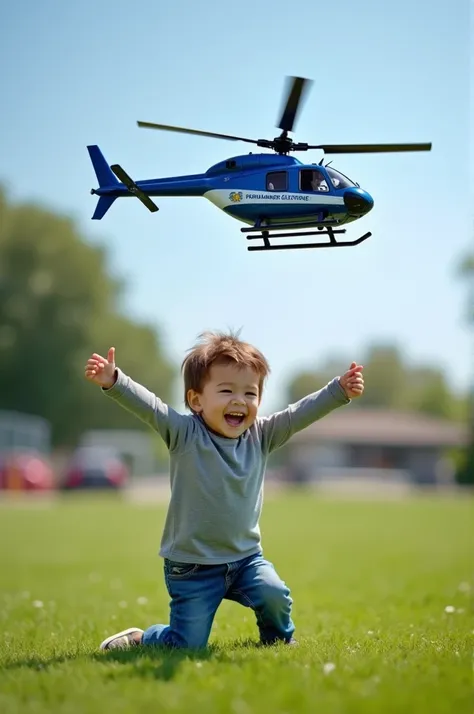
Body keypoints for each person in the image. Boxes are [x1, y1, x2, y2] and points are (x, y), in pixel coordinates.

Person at [84, 330, 364, 651]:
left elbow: (299, 413)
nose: (239, 401)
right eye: (227, 390)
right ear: (196, 400)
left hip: (246, 559)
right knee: (187, 646)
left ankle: (278, 640)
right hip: (192, 566)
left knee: (274, 594)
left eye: (250, 393)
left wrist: (338, 390)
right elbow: (152, 407)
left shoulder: (262, 435)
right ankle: (142, 638)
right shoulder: (185, 434)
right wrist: (114, 381)